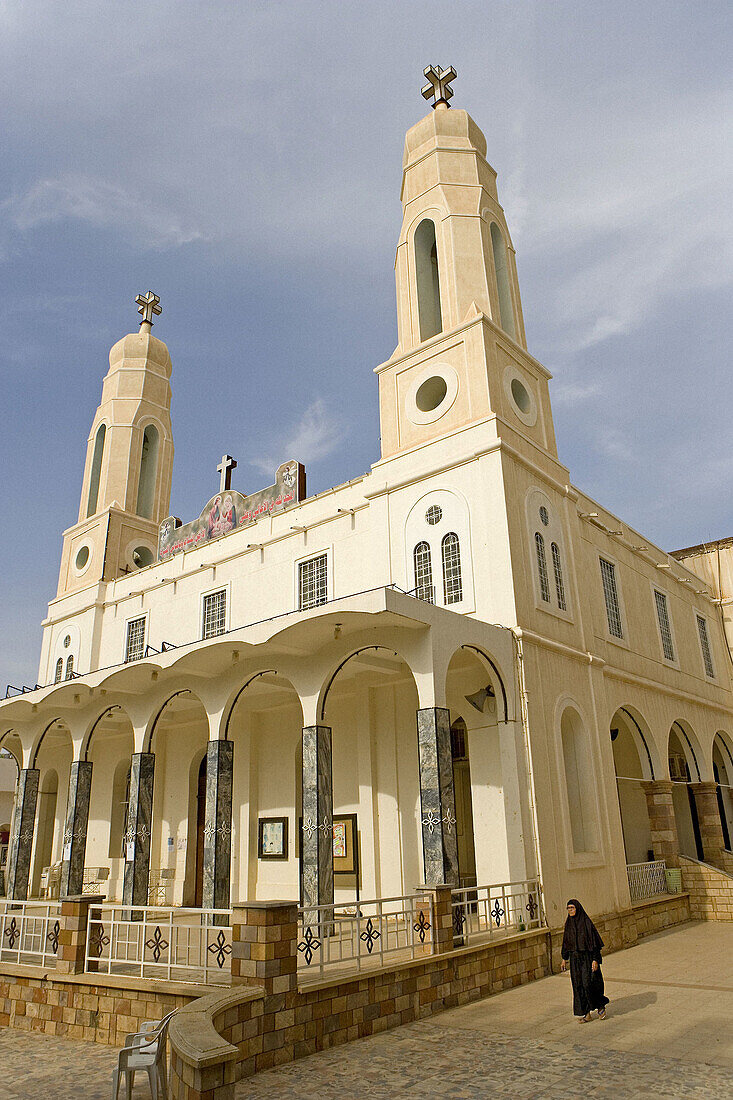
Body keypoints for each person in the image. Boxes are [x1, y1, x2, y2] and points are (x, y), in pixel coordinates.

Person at [560, 899, 609, 1022]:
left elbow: (594, 943)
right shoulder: (569, 924)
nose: (570, 910)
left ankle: (600, 1006)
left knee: (589, 983)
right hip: (575, 960)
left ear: (578, 908)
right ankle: (586, 1013)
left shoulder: (586, 923)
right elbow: (566, 942)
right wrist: (564, 958)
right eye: (568, 908)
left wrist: (595, 960)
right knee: (578, 986)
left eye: (572, 908)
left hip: (587, 958)